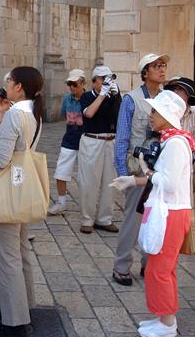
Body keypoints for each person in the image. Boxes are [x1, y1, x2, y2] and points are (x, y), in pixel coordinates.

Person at [110, 90, 195, 337]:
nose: (151, 115)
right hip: (165, 210)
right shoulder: (172, 141)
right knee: (160, 267)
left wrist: (147, 172)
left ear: (168, 115)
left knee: (160, 269)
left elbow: (168, 183)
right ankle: (163, 317)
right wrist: (136, 179)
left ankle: (167, 323)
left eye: (156, 111)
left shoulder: (176, 144)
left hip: (170, 212)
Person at [0, 66, 44, 337]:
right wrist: (0, 113)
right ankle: (23, 305)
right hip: (22, 186)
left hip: (7, 188)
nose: (5, 85)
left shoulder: (17, 113)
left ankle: (14, 321)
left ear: (18, 86)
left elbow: (2, 158)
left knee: (7, 255)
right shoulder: (31, 112)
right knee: (21, 249)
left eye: (8, 81)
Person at [112, 53, 169, 286]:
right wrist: (122, 171)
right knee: (133, 219)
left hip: (162, 167)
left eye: (163, 65)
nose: (161, 69)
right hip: (138, 168)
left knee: (156, 217)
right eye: (156, 66)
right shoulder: (131, 100)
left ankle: (149, 264)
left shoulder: (168, 98)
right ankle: (122, 266)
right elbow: (122, 137)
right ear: (145, 71)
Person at [77, 66, 121, 233]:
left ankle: (104, 218)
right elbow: (89, 114)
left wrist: (116, 96)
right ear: (94, 81)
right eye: (102, 79)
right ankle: (87, 219)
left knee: (110, 181)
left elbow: (119, 116)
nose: (106, 82)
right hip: (92, 140)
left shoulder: (113, 96)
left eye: (108, 78)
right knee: (89, 181)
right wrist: (102, 94)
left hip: (110, 140)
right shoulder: (87, 96)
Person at [48, 69, 85, 215]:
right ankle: (61, 202)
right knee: (61, 171)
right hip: (69, 138)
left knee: (86, 175)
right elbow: (64, 115)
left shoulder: (88, 98)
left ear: (82, 83)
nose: (72, 87)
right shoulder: (66, 99)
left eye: (74, 84)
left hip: (85, 140)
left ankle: (87, 204)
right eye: (69, 84)